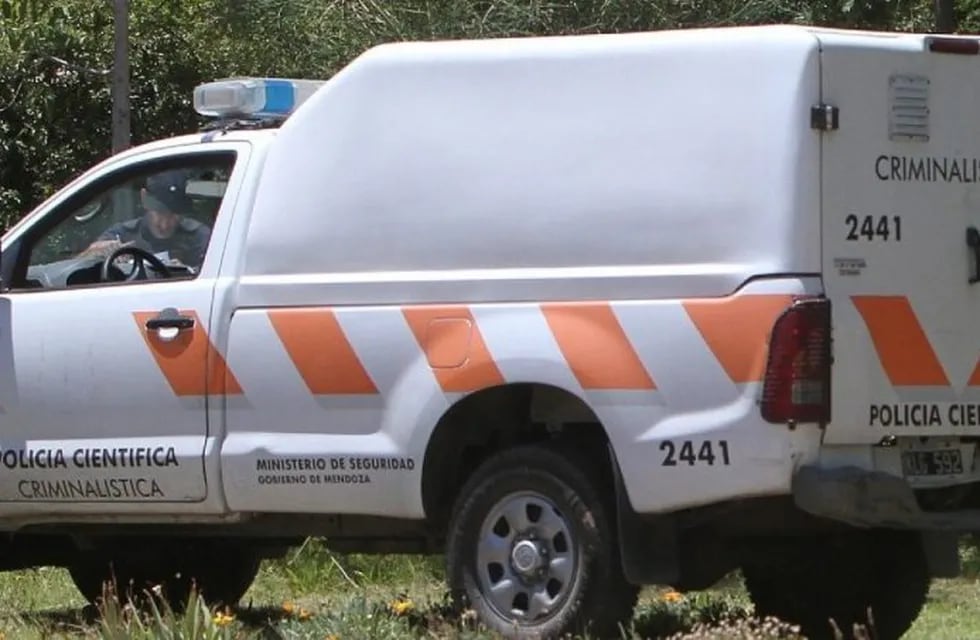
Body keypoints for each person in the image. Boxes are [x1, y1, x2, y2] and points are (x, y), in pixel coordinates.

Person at [84, 170, 211, 270]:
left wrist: (186, 273)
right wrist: (94, 253)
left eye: (174, 214)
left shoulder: (200, 238)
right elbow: (75, 266)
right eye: (160, 213)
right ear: (144, 198)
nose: (165, 224)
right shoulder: (123, 234)